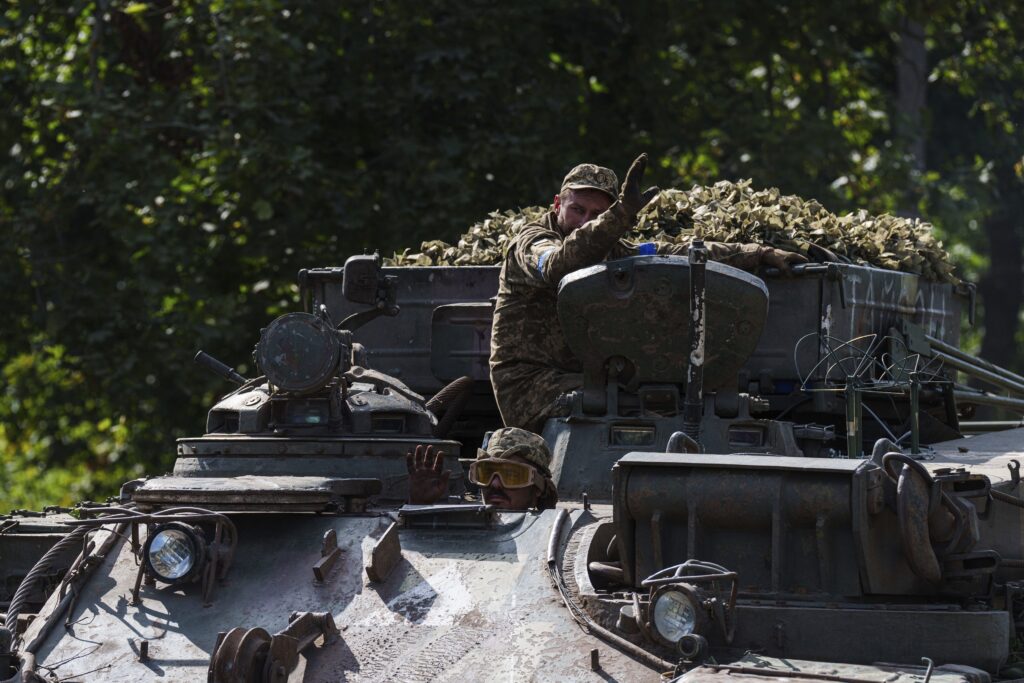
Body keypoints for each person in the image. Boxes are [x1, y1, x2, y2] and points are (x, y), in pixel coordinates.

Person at [488, 153, 808, 433]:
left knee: (667, 399)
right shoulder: (531, 243)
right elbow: (558, 265)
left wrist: (758, 253)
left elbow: (675, 253)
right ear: (557, 204)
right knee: (647, 405)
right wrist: (619, 215)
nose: (585, 222)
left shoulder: (614, 253)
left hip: (587, 382)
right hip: (529, 387)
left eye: (598, 214)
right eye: (577, 210)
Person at [406, 427, 557, 510]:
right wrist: (418, 506)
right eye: (486, 473)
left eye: (511, 475)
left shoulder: (553, 536)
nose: (495, 484)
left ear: (538, 486)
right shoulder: (462, 526)